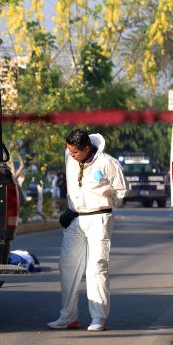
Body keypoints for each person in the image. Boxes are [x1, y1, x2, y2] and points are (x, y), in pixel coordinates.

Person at [47, 128, 127, 332]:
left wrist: (106, 204)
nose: (71, 155)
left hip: (99, 218)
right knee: (68, 266)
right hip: (75, 218)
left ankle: (98, 317)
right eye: (69, 151)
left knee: (96, 268)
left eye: (75, 152)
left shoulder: (107, 162)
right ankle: (68, 317)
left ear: (87, 148)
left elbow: (121, 190)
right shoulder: (70, 156)